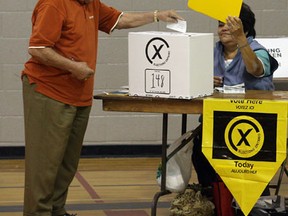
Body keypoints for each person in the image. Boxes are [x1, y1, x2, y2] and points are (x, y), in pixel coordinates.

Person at [21, 0, 183, 215]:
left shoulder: (91, 4)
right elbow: (38, 48)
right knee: (45, 166)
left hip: (79, 94)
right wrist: (73, 67)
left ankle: (56, 211)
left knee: (67, 164)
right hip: (48, 91)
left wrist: (156, 15)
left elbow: (120, 19)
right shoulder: (54, 4)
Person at [191, 0, 278, 204]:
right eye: (220, 24)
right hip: (216, 121)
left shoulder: (258, 50)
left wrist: (241, 40)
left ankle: (254, 201)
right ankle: (213, 196)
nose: (222, 29)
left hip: (254, 123)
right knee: (198, 148)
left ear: (243, 28)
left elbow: (255, 69)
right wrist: (200, 77)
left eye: (229, 24)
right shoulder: (208, 51)